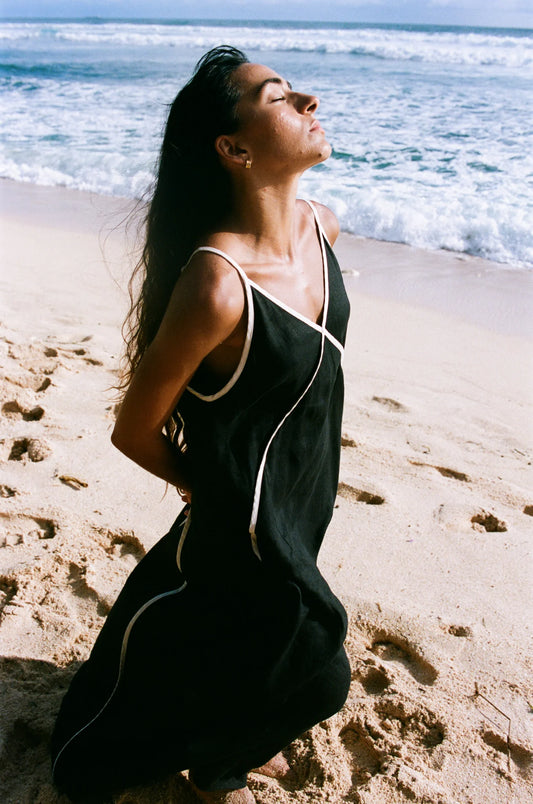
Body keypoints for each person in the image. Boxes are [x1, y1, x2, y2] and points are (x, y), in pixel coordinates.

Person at [51, 45, 351, 804]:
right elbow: (133, 428)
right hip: (240, 521)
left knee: (247, 644)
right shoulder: (217, 286)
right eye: (281, 97)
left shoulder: (324, 228)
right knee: (318, 656)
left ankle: (224, 752)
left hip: (304, 496)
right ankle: (217, 764)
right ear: (234, 148)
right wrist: (204, 488)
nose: (309, 101)